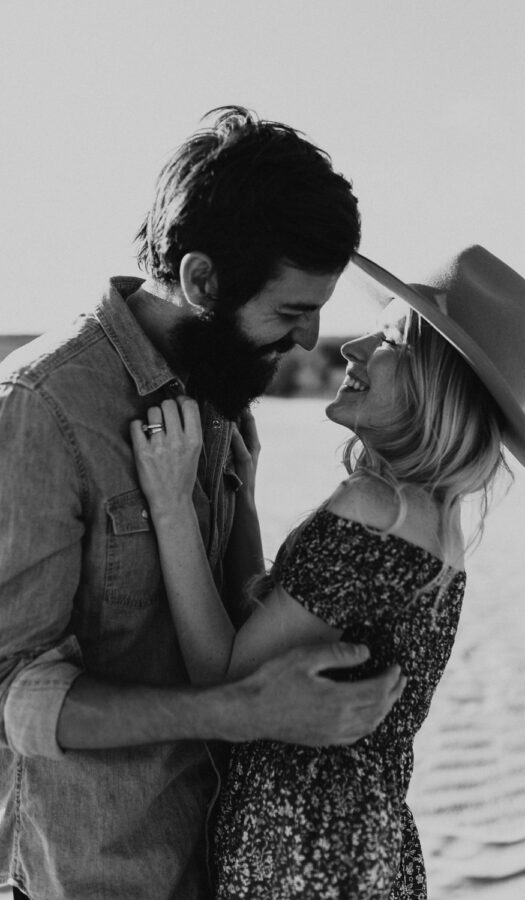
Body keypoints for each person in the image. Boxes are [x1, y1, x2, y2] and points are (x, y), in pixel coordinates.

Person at [0, 107, 406, 900]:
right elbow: (15, 700)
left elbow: (231, 613)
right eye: (291, 311)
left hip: (230, 867)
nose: (309, 339)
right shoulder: (42, 406)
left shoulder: (224, 389)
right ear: (201, 281)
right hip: (105, 875)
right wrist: (241, 710)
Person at [131, 245, 525, 899]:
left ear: (435, 386)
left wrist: (170, 505)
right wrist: (243, 504)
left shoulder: (372, 509)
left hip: (297, 861)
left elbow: (223, 681)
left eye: (389, 341)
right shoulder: (434, 528)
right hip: (370, 854)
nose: (351, 348)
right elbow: (270, 640)